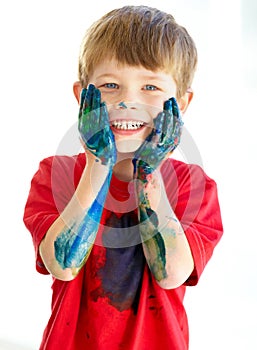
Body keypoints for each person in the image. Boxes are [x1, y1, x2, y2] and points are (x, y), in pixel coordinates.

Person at [23, 5, 223, 350]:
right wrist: (99, 163)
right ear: (81, 97)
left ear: (182, 103)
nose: (128, 101)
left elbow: (171, 272)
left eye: (150, 87)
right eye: (110, 85)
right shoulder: (55, 175)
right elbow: (63, 265)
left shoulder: (194, 186)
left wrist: (147, 173)